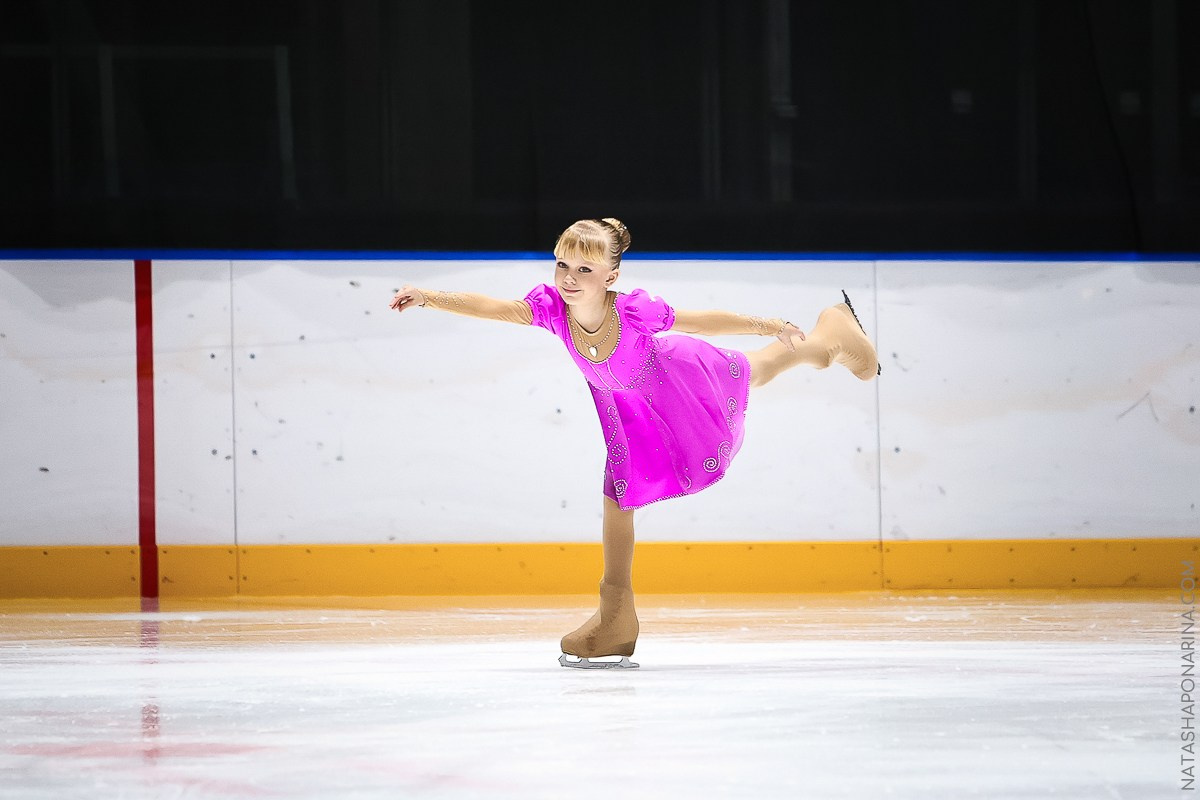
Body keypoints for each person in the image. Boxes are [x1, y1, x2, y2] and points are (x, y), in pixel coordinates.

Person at [389, 218, 878, 669]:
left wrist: (767, 324)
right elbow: (492, 307)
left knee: (756, 368)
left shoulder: (632, 311)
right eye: (562, 265)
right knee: (618, 497)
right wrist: (428, 296)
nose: (569, 278)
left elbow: (699, 321)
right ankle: (615, 618)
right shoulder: (552, 310)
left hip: (677, 381)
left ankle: (827, 337)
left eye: (585, 269)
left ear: (611, 276)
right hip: (629, 412)